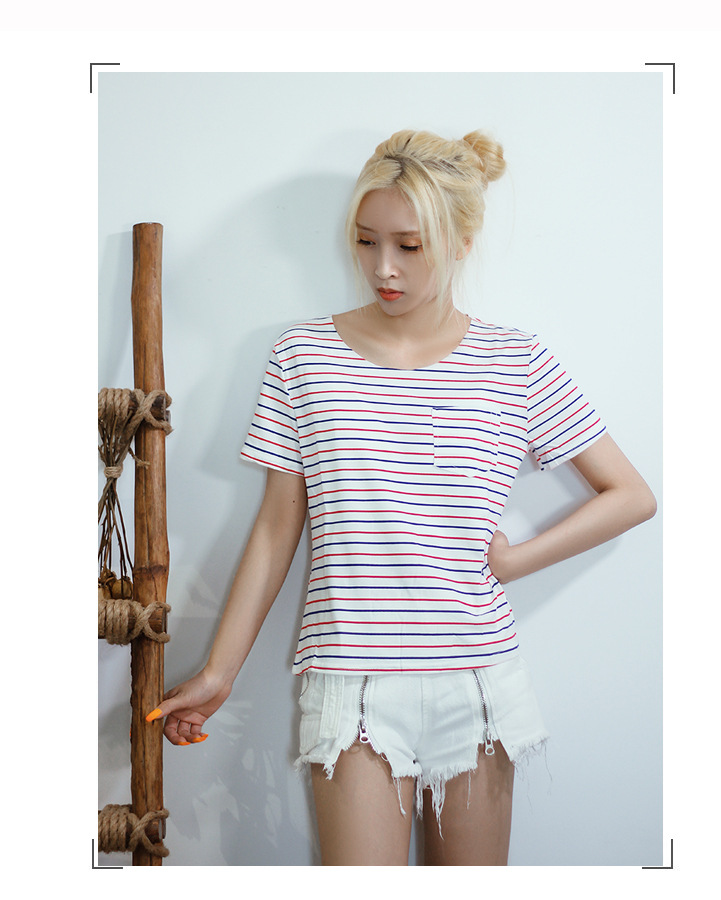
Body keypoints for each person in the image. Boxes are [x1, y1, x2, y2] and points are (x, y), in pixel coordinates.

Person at [145, 129, 657, 866]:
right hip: (349, 683)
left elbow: (630, 494)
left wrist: (516, 560)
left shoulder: (516, 361)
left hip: (477, 680)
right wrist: (220, 670)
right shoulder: (302, 357)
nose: (383, 268)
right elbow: (277, 527)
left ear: (462, 242)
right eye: (366, 241)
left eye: (409, 246)